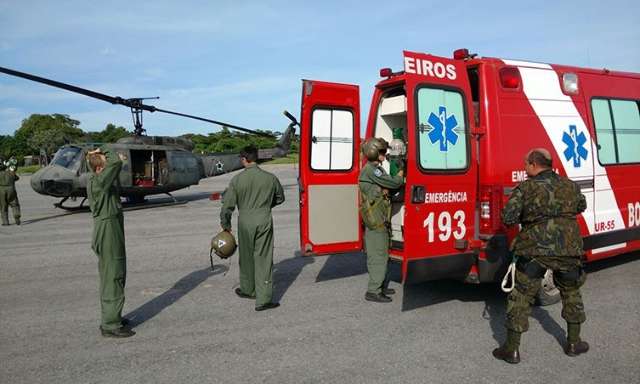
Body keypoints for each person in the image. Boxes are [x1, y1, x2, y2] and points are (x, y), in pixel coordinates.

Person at [493, 148, 589, 364]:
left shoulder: (525, 188)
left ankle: (512, 349)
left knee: (521, 296)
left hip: (534, 250)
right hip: (568, 249)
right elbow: (581, 206)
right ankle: (574, 343)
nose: (524, 168)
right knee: (571, 292)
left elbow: (508, 217)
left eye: (526, 164)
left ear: (534, 165)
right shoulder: (570, 185)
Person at [220, 145, 285, 311]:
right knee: (263, 258)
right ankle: (263, 299)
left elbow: (227, 206)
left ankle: (248, 290)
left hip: (244, 221)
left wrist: (226, 225)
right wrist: (265, 206)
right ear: (256, 158)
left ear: (244, 159)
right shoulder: (270, 178)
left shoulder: (237, 180)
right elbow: (280, 198)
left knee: (246, 256)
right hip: (263, 218)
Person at [86, 147, 134, 338]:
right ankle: (110, 324)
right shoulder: (99, 181)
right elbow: (114, 163)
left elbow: (112, 168)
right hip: (108, 230)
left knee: (115, 273)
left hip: (110, 228)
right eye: (105, 167)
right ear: (100, 169)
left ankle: (113, 315)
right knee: (113, 274)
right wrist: (104, 149)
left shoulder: (100, 180)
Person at [359, 138, 404, 303]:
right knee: (378, 255)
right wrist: (400, 175)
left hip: (379, 220)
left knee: (382, 253)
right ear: (373, 152)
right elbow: (392, 183)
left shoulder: (374, 169)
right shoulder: (372, 170)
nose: (385, 156)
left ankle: (380, 285)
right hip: (376, 221)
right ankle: (373, 290)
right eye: (382, 152)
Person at [0, 160, 21, 226]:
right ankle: (16, 215)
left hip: (1, 190)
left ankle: (5, 222)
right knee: (15, 204)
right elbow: (17, 178)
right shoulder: (11, 173)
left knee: (3, 207)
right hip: (11, 189)